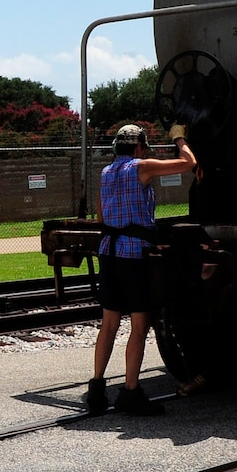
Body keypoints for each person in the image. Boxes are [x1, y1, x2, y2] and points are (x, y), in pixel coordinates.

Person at [85, 123, 197, 417]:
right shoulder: (142, 167)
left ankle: (96, 389)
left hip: (109, 252)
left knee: (108, 324)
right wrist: (179, 137)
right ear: (138, 148)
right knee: (139, 325)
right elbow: (189, 162)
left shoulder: (105, 173)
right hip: (134, 255)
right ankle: (130, 392)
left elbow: (101, 215)